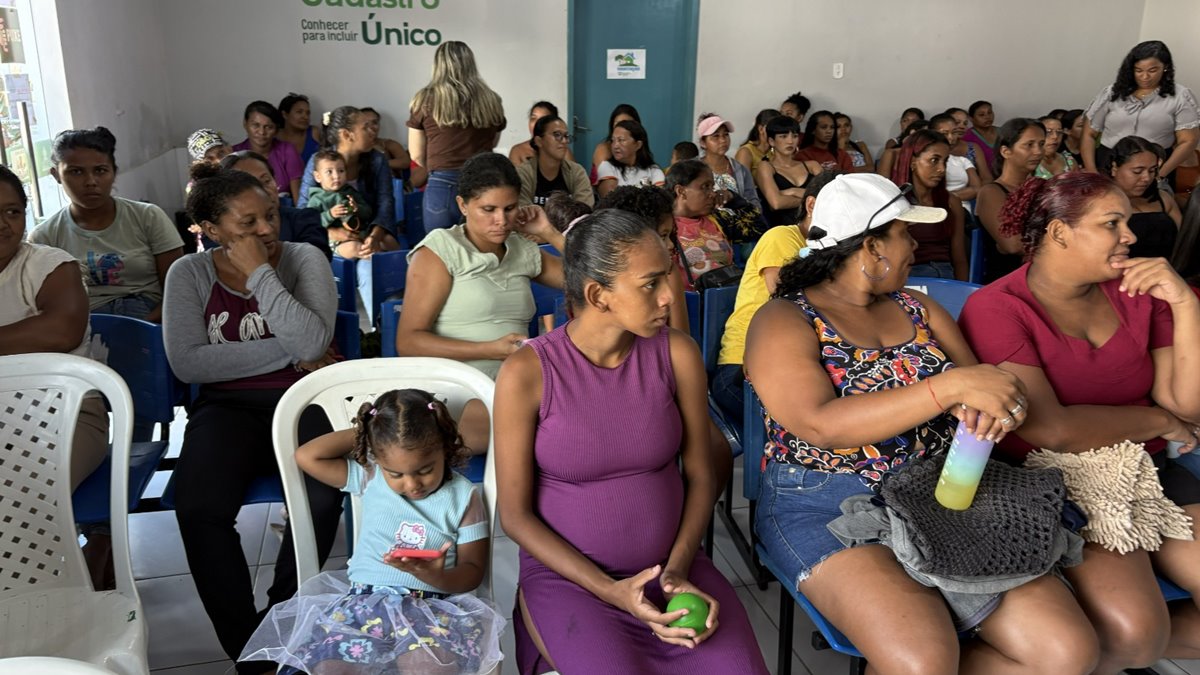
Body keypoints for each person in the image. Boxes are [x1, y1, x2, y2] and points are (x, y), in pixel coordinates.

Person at [744, 172, 1099, 675]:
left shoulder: (919, 307)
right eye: (903, 234)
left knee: (1068, 653)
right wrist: (948, 389)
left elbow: (986, 386)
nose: (915, 245)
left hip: (945, 491)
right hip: (823, 501)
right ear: (870, 246)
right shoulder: (784, 318)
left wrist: (998, 410)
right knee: (925, 662)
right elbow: (820, 425)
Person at [494, 208, 770, 675]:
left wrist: (678, 569)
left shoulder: (675, 353)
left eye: (668, 277)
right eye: (650, 284)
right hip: (572, 582)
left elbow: (702, 475)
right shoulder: (529, 373)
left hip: (672, 568)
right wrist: (610, 591)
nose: (669, 296)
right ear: (598, 295)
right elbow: (516, 516)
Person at [959, 171, 1200, 674]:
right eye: (1112, 223)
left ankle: (1080, 658)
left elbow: (1188, 406)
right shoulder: (997, 307)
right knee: (1136, 637)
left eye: (1127, 223)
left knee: (1129, 639)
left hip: (1146, 468)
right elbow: (1050, 430)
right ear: (1059, 233)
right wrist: (1157, 419)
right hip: (1055, 482)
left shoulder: (1138, 290)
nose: (1129, 236)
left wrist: (1183, 303)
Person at [163, 165, 345, 675]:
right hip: (226, 407)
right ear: (211, 229)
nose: (266, 229)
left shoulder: (304, 257)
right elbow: (189, 363)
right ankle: (248, 645)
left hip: (306, 398)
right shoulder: (189, 274)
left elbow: (312, 343)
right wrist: (290, 350)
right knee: (198, 506)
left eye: (270, 215)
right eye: (248, 224)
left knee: (321, 496)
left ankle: (284, 618)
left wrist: (261, 273)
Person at [240, 389, 505, 675]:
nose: (412, 484)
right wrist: (367, 432)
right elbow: (307, 456)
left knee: (428, 668)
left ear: (445, 448)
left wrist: (434, 575)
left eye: (425, 469)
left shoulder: (463, 497)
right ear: (379, 462)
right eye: (396, 474)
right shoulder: (370, 477)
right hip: (361, 606)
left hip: (432, 608)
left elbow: (473, 571)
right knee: (331, 667)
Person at [397, 152, 564, 381]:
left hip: (516, 383)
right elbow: (408, 342)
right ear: (463, 206)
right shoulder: (440, 251)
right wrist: (490, 350)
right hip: (457, 386)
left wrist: (549, 232)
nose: (502, 221)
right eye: (488, 209)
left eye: (510, 208)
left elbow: (589, 280)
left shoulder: (521, 248)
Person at [0, 164, 104, 491]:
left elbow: (62, 332)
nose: (3, 225)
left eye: (13, 212)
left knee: (19, 493)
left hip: (63, 414)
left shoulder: (49, 265)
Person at [712, 171, 834, 427]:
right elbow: (787, 296)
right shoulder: (782, 237)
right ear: (811, 205)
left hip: (780, 367)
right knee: (807, 427)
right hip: (739, 369)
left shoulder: (826, 250)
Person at [31, 127, 183, 322]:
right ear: (56, 175)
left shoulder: (148, 217)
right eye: (76, 172)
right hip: (85, 327)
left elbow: (179, 289)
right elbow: (51, 307)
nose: (91, 181)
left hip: (153, 319)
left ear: (114, 172)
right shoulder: (45, 236)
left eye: (100, 171)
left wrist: (142, 328)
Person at [408, 41, 506, 234]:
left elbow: (417, 154)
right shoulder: (491, 100)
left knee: (441, 254)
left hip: (442, 184)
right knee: (481, 254)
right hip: (483, 182)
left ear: (438, 65)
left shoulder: (424, 100)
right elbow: (493, 143)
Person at [1082, 40, 1199, 178]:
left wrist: (1160, 174)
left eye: (1152, 70)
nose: (1145, 77)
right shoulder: (1112, 92)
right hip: (1109, 162)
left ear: (1165, 67)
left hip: (1154, 166)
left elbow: (1188, 141)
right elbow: (1089, 134)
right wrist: (1092, 171)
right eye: (1138, 70)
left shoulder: (1180, 96)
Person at [300, 106, 398, 260]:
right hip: (330, 233)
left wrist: (375, 236)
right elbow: (303, 212)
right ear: (347, 135)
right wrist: (332, 232)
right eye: (366, 127)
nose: (373, 130)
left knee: (389, 243)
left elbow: (385, 203)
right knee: (366, 256)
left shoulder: (378, 160)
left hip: (367, 229)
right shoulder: (318, 162)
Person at [597, 185, 690, 332]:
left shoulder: (670, 273)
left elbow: (681, 333)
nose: (670, 244)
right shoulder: (601, 276)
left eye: (669, 235)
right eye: (662, 236)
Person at [219, 151, 329, 260]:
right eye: (249, 185)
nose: (262, 190)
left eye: (266, 181)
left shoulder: (303, 220)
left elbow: (315, 265)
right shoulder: (223, 230)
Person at [890, 130, 968, 280]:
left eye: (945, 161)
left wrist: (963, 294)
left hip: (945, 277)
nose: (942, 169)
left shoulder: (952, 202)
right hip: (908, 279)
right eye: (934, 160)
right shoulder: (893, 203)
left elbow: (959, 260)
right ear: (913, 161)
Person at [976, 118, 1046, 282]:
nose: (1038, 151)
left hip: (1042, 275)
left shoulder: (1043, 189)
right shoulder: (991, 192)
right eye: (1029, 145)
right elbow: (1013, 245)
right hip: (1008, 280)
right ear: (1006, 151)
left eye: (1041, 144)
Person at [1108, 135, 1182, 260]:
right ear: (1115, 167)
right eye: (1137, 171)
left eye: (1152, 171)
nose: (1146, 178)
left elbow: (1185, 240)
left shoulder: (1163, 198)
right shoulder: (1101, 203)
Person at [666, 160, 735, 291]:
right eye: (705, 186)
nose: (713, 193)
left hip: (726, 296)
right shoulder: (664, 227)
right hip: (688, 303)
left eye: (712, 187)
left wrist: (733, 197)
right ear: (681, 191)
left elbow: (758, 227)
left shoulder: (717, 219)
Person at [755, 116, 822, 228]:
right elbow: (776, 203)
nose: (790, 141)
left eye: (795, 136)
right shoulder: (766, 166)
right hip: (784, 230)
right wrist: (813, 199)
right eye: (783, 136)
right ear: (771, 141)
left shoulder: (812, 166)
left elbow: (829, 195)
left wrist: (793, 191)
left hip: (817, 227)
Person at [233, 100, 304, 206]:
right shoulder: (235, 155)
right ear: (245, 124)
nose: (262, 132)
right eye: (256, 125)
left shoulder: (287, 151)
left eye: (269, 127)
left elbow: (298, 200)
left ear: (276, 130)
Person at [516, 114, 592, 208]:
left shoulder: (577, 172)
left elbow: (584, 210)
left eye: (566, 136)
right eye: (557, 135)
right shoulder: (523, 174)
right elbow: (523, 212)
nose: (564, 141)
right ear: (539, 141)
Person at [307, 150, 374, 256]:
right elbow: (310, 223)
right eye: (329, 172)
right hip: (334, 243)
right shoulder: (317, 199)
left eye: (341, 171)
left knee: (387, 241)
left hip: (359, 234)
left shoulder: (350, 192)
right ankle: (375, 262)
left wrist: (358, 208)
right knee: (354, 248)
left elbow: (368, 212)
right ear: (318, 177)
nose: (336, 176)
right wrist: (330, 214)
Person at [697, 113, 761, 210]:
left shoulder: (741, 170)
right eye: (716, 136)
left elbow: (755, 205)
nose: (723, 140)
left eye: (726, 135)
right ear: (703, 143)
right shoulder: (693, 169)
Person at [595, 120, 665, 197]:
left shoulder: (653, 170)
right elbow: (609, 199)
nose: (615, 146)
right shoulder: (607, 166)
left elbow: (660, 200)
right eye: (613, 140)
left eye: (621, 140)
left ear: (638, 145)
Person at [931, 113, 982, 207]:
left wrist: (948, 197)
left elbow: (976, 188)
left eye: (954, 132)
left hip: (963, 208)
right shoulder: (925, 161)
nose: (951, 137)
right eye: (944, 133)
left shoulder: (962, 161)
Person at [509, 101, 575, 167]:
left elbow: (572, 175)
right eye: (533, 118)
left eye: (543, 120)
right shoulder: (518, 151)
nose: (536, 124)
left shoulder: (564, 151)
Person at [590, 103, 641, 183]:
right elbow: (605, 188)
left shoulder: (639, 148)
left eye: (627, 124)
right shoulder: (604, 149)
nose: (622, 128)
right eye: (618, 124)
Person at [361, 106, 414, 180]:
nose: (371, 127)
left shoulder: (388, 144)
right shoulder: (354, 147)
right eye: (366, 123)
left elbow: (405, 162)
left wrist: (380, 163)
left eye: (374, 122)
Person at [946, 107, 994, 183]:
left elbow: (987, 178)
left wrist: (975, 191)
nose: (962, 127)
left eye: (965, 123)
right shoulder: (936, 148)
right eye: (957, 122)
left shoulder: (973, 148)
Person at [276, 93, 322, 166]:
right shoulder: (275, 136)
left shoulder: (314, 133)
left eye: (308, 113)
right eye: (299, 112)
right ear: (285, 114)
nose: (305, 117)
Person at [734, 108, 780, 175]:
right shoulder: (746, 152)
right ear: (761, 129)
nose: (777, 133)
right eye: (773, 129)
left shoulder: (775, 151)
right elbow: (742, 183)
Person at [963, 100, 999, 173]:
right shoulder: (967, 137)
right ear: (971, 118)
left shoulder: (1004, 132)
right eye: (981, 115)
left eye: (989, 113)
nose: (987, 117)